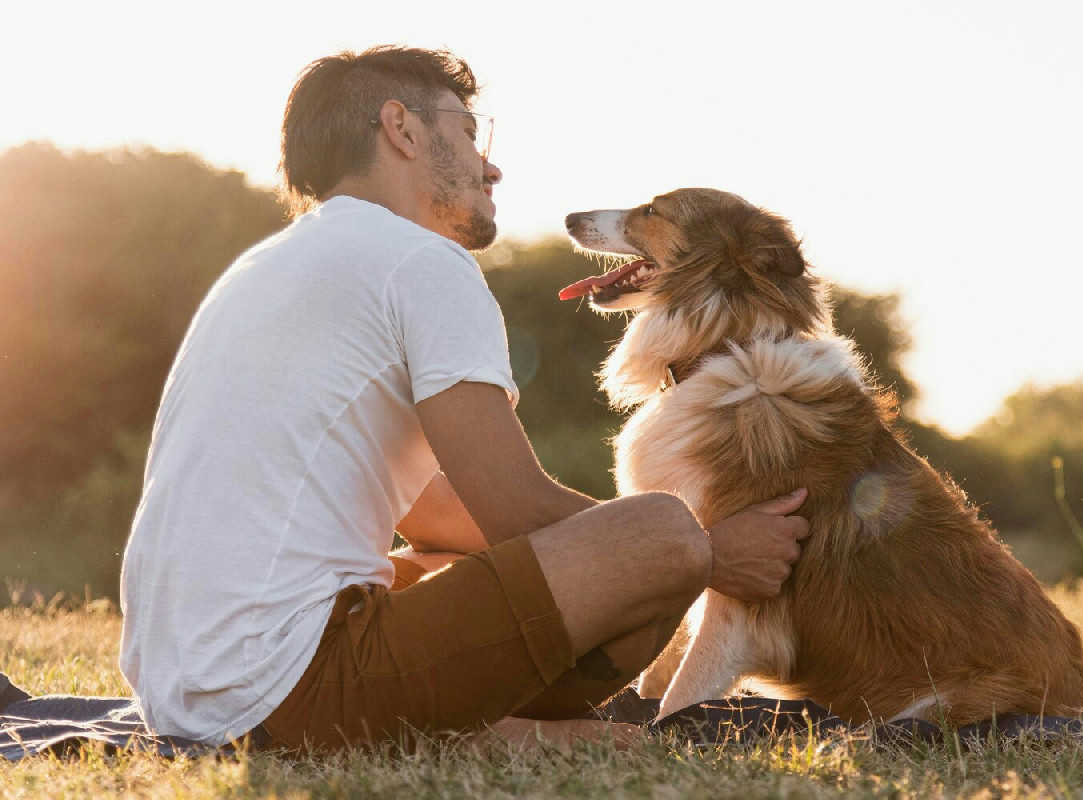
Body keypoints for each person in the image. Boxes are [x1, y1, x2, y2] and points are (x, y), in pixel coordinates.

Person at [118, 45, 811, 753]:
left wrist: (616, 554)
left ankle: (453, 726)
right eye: (468, 132)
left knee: (444, 564)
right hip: (283, 692)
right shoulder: (421, 262)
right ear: (404, 130)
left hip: (183, 691)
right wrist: (706, 553)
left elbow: (434, 510)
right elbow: (516, 509)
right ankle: (467, 737)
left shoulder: (267, 265)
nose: (490, 165)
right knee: (658, 530)